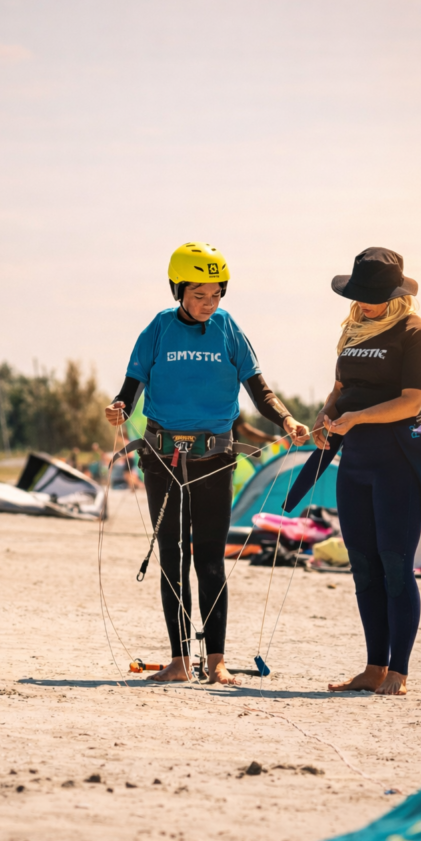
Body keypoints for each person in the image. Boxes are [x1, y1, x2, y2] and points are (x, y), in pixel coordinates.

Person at [105, 242, 309, 684]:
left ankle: (215, 661)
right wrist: (118, 408)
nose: (208, 303)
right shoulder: (158, 329)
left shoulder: (227, 329)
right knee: (172, 557)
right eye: (199, 294)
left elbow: (260, 390)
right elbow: (129, 389)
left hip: (215, 458)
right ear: (178, 289)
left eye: (216, 294)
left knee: (210, 560)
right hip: (162, 458)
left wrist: (287, 419)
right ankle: (180, 662)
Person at [286, 247, 421, 696]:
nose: (363, 302)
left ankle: (399, 671)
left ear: (395, 294)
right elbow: (340, 389)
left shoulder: (416, 334)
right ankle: (374, 668)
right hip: (354, 461)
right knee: (364, 567)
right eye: (359, 294)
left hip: (397, 458)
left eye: (372, 295)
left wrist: (357, 418)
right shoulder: (352, 330)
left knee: (395, 564)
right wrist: (324, 416)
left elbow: (412, 400)